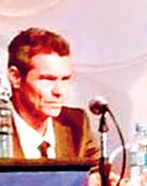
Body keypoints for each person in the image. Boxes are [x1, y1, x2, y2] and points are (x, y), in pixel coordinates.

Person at [7, 27, 98, 161]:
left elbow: (97, 169)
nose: (59, 91)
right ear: (16, 78)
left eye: (65, 79)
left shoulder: (77, 124)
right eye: (48, 79)